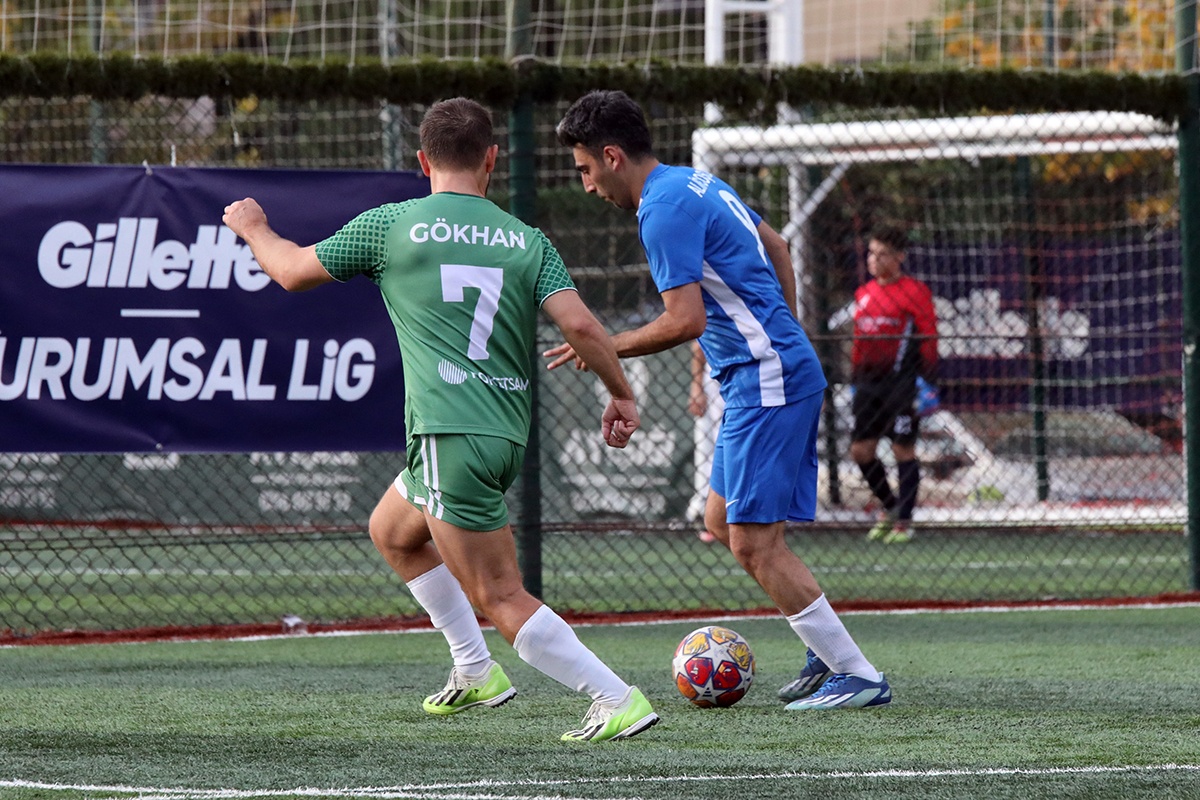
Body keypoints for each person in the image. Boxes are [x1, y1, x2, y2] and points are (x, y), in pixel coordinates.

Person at [222, 97, 658, 743]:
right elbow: (583, 328)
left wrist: (254, 226)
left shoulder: (391, 224)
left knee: (500, 595)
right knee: (393, 531)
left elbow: (289, 271)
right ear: (492, 159)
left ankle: (614, 697)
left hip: (448, 436)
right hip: (502, 435)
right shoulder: (527, 239)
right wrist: (620, 393)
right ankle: (474, 668)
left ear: (423, 161)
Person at [550, 90, 890, 710]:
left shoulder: (660, 210)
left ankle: (858, 674)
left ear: (612, 155)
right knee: (720, 520)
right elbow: (777, 246)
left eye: (585, 169)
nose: (587, 185)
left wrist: (603, 344)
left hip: (766, 379)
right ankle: (824, 646)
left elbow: (685, 320)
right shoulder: (694, 181)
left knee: (754, 543)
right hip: (761, 375)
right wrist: (781, 332)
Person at [849, 226, 938, 544]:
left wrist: (927, 381)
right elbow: (859, 341)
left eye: (882, 254)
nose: (873, 259)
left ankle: (905, 522)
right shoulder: (864, 293)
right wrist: (854, 379)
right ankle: (890, 507)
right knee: (861, 450)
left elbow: (929, 338)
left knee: (902, 448)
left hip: (901, 383)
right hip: (867, 384)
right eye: (871, 253)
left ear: (899, 257)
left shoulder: (914, 291)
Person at [687, 342, 722, 543]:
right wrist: (697, 385)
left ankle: (728, 514)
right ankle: (703, 513)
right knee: (707, 449)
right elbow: (698, 343)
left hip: (750, 376)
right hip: (716, 377)